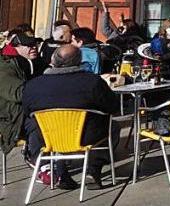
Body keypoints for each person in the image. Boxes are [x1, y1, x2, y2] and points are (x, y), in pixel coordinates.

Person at [22, 45, 120, 189]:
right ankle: (92, 170)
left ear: (52, 60)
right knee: (112, 126)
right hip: (85, 136)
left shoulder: (33, 86)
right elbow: (113, 107)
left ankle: (61, 173)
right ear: (79, 60)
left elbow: (27, 111)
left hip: (48, 136)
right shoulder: (92, 82)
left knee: (37, 123)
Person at [0, 34, 37, 163]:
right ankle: (39, 161)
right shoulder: (4, 65)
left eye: (35, 44)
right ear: (16, 47)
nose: (34, 48)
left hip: (21, 111)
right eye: (29, 45)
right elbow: (18, 93)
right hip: (8, 117)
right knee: (39, 124)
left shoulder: (27, 61)